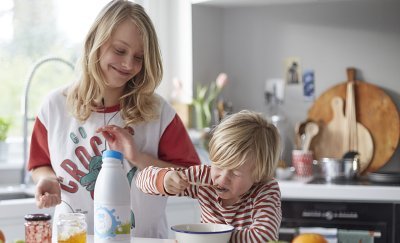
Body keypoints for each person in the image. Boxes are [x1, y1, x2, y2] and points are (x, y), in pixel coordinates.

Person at [27, 0, 200, 239]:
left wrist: (138, 157)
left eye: (139, 57)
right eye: (120, 50)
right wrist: (47, 179)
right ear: (95, 43)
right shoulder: (54, 107)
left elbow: (192, 180)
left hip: (144, 239)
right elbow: (39, 163)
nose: (129, 64)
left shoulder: (160, 114)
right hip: (74, 238)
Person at [136, 110, 282, 242]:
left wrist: (211, 237)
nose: (222, 178)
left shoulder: (266, 191)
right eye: (218, 166)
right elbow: (141, 180)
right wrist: (164, 180)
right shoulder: (204, 177)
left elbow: (264, 237)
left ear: (258, 174)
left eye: (235, 172)